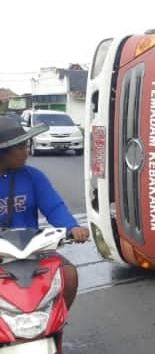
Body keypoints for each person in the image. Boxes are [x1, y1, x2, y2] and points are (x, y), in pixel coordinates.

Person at [0, 116, 90, 308]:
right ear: (2, 152)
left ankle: (55, 323)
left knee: (69, 275)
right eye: (20, 148)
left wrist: (72, 227)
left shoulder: (33, 176)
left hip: (31, 249)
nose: (26, 152)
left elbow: (53, 206)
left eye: (26, 145)